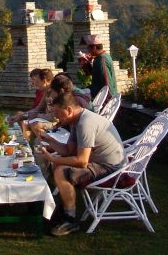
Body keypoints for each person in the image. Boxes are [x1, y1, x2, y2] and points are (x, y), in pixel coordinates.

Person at [38, 91, 125, 236]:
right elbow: (68, 150)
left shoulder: (85, 123)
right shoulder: (76, 121)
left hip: (110, 168)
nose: (56, 117)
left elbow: (82, 161)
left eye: (58, 113)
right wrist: (49, 139)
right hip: (99, 161)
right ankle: (64, 208)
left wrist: (52, 158)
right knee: (58, 165)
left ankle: (70, 220)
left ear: (69, 110)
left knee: (61, 171)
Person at [81, 35, 118, 101]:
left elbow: (107, 82)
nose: (87, 50)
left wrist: (107, 100)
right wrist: (86, 64)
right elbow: (94, 74)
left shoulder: (102, 60)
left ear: (94, 47)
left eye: (88, 48)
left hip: (104, 98)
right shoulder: (98, 58)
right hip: (99, 95)